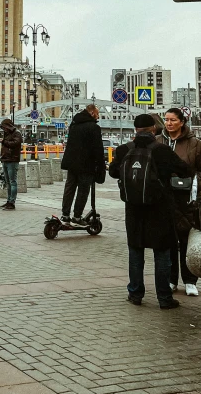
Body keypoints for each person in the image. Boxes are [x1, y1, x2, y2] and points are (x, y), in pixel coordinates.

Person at [109, 114, 190, 309]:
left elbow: (112, 172)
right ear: (154, 129)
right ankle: (164, 298)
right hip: (160, 209)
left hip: (133, 209)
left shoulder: (123, 150)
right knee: (162, 252)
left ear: (135, 130)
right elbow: (185, 170)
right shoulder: (161, 150)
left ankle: (135, 293)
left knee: (135, 252)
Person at [157, 107, 201, 296]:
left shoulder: (194, 144)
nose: (169, 123)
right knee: (168, 241)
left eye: (173, 120)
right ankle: (172, 280)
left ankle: (190, 281)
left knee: (186, 239)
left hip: (186, 199)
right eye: (166, 120)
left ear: (182, 122)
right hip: (164, 198)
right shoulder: (159, 141)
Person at [60, 104, 105, 225]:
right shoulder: (94, 127)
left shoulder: (74, 124)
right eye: (97, 113)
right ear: (91, 113)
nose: (98, 116)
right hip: (86, 165)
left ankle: (65, 214)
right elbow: (98, 149)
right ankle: (77, 216)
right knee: (83, 190)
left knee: (69, 188)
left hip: (72, 163)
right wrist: (100, 165)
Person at [0, 118, 22, 210]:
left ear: (8, 126)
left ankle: (12, 202)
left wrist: (4, 141)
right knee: (8, 182)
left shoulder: (17, 133)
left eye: (4, 127)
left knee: (12, 182)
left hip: (12, 160)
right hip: (5, 159)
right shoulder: (7, 133)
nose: (3, 129)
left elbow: (16, 143)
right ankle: (8, 201)